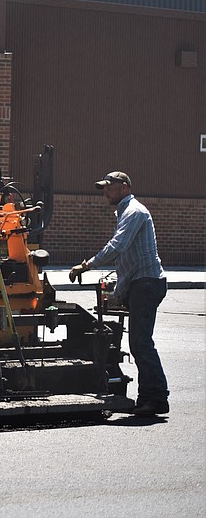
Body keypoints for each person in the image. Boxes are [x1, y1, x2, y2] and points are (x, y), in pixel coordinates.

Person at [69, 171, 168, 416]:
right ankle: (148, 398)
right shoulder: (125, 212)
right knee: (139, 343)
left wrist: (87, 264)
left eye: (109, 188)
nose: (106, 192)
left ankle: (156, 398)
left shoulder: (134, 211)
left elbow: (118, 246)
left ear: (124, 187)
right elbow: (128, 259)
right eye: (104, 188)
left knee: (141, 343)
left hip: (147, 283)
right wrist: (120, 291)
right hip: (140, 283)